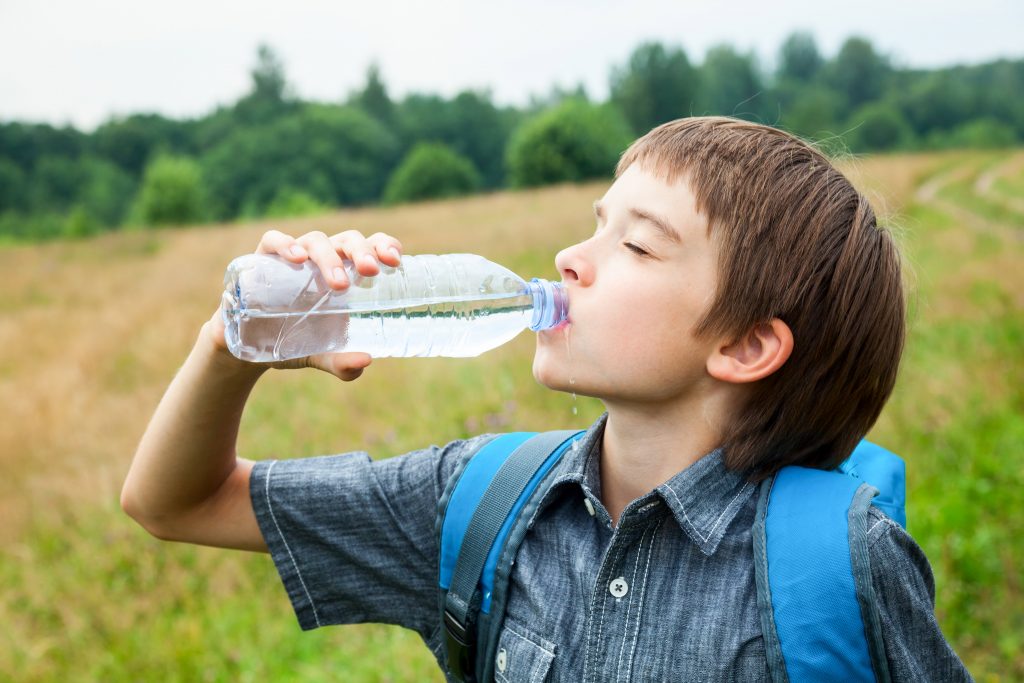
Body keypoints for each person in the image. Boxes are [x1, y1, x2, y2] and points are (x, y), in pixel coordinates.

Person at [122, 116, 972, 681]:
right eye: (596, 222)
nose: (571, 256)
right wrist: (233, 346)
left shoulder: (840, 565)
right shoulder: (476, 503)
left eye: (636, 244)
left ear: (744, 345)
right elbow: (175, 501)